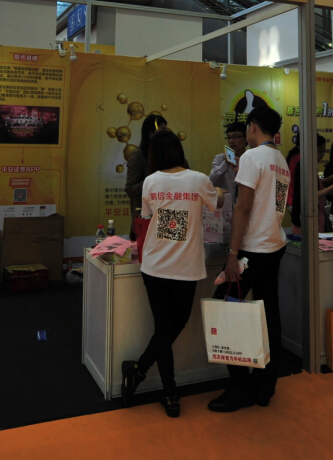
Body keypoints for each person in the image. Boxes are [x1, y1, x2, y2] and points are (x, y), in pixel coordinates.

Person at [121, 129, 219, 418]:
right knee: (170, 326)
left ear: (154, 155)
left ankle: (139, 370)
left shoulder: (151, 182)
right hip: (185, 267)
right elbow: (216, 204)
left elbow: (150, 217)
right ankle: (170, 392)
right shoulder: (200, 180)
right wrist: (222, 192)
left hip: (154, 265)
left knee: (165, 328)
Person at [208, 105, 290, 413]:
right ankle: (265, 386)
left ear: (253, 126)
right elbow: (278, 205)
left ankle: (240, 387)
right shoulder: (280, 160)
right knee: (270, 314)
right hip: (274, 245)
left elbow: (243, 208)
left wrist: (232, 254)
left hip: (251, 251)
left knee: (227, 310)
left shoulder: (252, 158)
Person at [288, 134, 333, 233]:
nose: (323, 154)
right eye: (320, 151)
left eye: (324, 151)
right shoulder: (305, 166)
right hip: (307, 219)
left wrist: (331, 179)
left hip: (311, 217)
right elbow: (312, 194)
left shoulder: (308, 165)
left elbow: (315, 185)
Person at [125, 114, 167, 220]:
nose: (166, 134)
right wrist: (153, 180)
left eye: (166, 130)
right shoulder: (138, 156)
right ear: (150, 133)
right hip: (145, 218)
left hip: (165, 215)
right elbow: (130, 189)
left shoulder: (167, 155)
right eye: (162, 130)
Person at [209, 120, 247, 211]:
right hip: (225, 209)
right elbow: (211, 181)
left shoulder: (250, 159)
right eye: (229, 137)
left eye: (236, 137)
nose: (231, 141)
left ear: (246, 138)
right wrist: (225, 164)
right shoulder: (220, 159)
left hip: (246, 207)